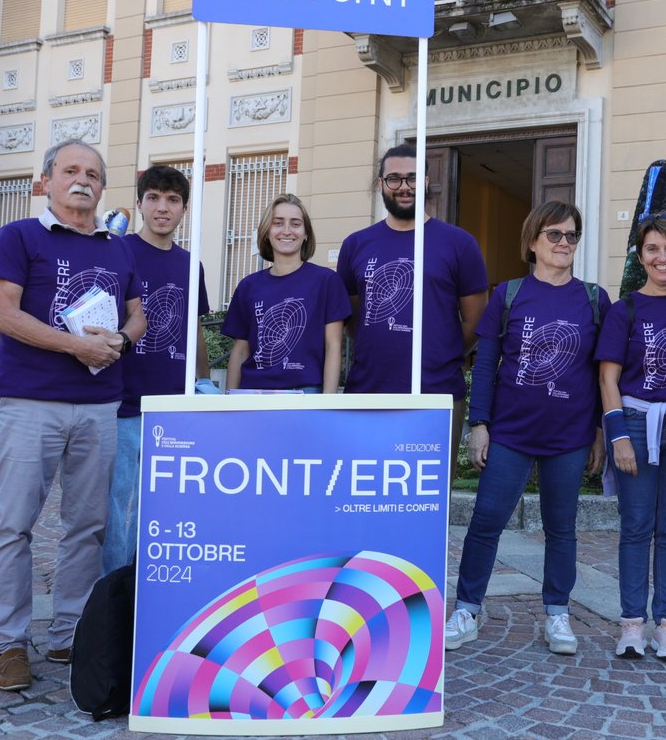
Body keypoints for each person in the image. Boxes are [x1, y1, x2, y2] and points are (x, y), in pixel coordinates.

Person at [0, 139, 146, 691]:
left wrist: (121, 340)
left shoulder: (118, 249)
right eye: (71, 170)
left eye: (93, 174)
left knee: (88, 528)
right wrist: (77, 346)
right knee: (13, 526)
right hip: (30, 402)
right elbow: (2, 315)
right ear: (46, 181)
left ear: (103, 187)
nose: (83, 180)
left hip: (99, 406)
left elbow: (137, 314)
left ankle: (70, 635)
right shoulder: (19, 236)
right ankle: (9, 644)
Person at [445, 201, 609, 656]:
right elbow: (486, 364)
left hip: (570, 436)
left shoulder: (594, 299)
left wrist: (598, 431)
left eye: (571, 235)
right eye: (554, 234)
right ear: (533, 241)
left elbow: (602, 372)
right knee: (486, 522)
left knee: (561, 527)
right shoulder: (509, 294)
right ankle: (467, 609)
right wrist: (480, 424)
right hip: (511, 434)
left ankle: (557, 612)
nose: (564, 243)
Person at [596, 211, 666, 663]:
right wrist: (617, 436)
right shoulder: (625, 310)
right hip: (637, 426)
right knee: (637, 527)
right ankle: (632, 625)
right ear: (641, 256)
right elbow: (607, 379)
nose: (663, 257)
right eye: (653, 248)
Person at [336, 143, 488, 454]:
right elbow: (352, 319)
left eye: (413, 178)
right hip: (368, 392)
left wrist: (440, 352)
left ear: (427, 181)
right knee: (367, 481)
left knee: (430, 486)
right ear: (381, 184)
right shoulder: (355, 245)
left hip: (437, 395)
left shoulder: (460, 244)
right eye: (394, 178)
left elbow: (476, 321)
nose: (404, 187)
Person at [102, 164, 213, 574]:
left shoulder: (191, 265)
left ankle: (149, 586)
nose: (162, 208)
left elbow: (194, 330)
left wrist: (203, 383)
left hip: (173, 407)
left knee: (163, 505)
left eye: (172, 200)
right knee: (119, 505)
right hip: (125, 402)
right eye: (153, 198)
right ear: (139, 203)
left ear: (184, 208)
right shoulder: (118, 251)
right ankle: (114, 591)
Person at [223, 194, 350, 393]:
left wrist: (328, 402)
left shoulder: (326, 281)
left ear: (306, 233)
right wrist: (229, 402)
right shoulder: (248, 286)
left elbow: (334, 346)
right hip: (253, 395)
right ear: (267, 231)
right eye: (278, 223)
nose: (287, 230)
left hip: (306, 395)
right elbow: (240, 351)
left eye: (296, 224)